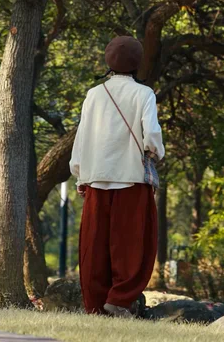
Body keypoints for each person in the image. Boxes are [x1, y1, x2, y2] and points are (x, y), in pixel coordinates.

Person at [70, 35, 164, 317]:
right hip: (132, 178)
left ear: (109, 62)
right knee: (134, 244)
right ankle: (120, 299)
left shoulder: (94, 94)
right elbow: (152, 136)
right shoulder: (144, 93)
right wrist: (154, 152)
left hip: (97, 179)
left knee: (94, 246)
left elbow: (81, 137)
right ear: (137, 63)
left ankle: (96, 305)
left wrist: (79, 173)